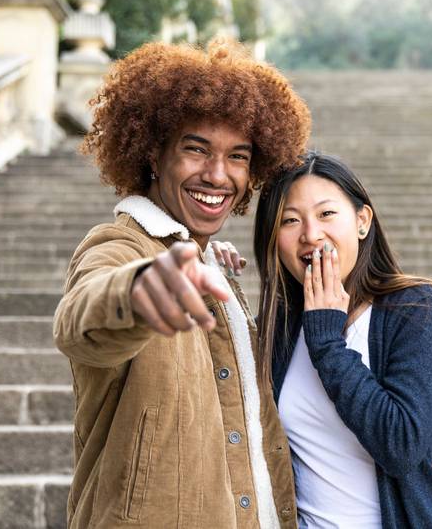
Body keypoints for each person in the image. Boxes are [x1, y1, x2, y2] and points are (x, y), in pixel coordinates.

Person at [52, 38, 311, 528]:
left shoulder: (207, 259)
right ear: (153, 152)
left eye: (238, 156)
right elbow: (80, 319)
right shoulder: (121, 247)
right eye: (196, 149)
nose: (218, 175)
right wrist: (138, 292)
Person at [250, 152, 432, 528]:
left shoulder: (413, 309)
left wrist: (328, 342)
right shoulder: (277, 329)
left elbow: (402, 447)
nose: (310, 234)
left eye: (326, 214)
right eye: (290, 220)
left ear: (362, 221)